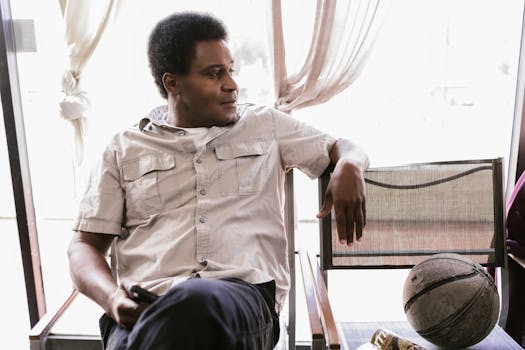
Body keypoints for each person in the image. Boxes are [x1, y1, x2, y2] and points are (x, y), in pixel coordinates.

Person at [67, 11, 369, 350]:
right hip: (140, 312)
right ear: (172, 83)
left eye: (230, 71)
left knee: (193, 301)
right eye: (214, 74)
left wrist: (350, 165)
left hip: (240, 302)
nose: (232, 84)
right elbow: (83, 247)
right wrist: (111, 300)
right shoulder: (124, 149)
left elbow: (342, 147)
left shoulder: (266, 126)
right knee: (170, 321)